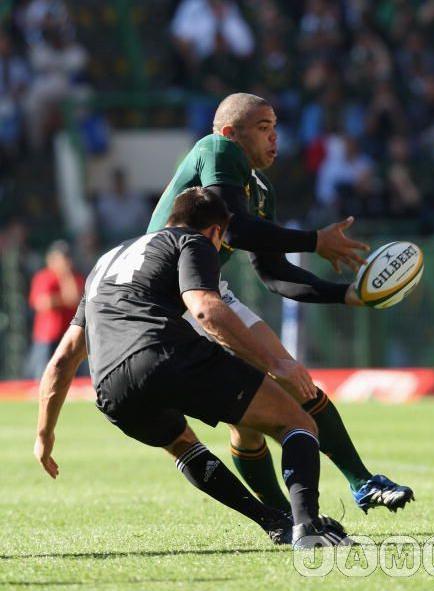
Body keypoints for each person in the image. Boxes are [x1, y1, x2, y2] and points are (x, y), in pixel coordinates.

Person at [34, 187, 353, 548]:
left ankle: (275, 521)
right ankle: (309, 528)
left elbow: (63, 360)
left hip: (109, 383)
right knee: (297, 422)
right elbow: (203, 308)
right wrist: (274, 363)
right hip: (163, 351)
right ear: (216, 231)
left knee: (182, 444)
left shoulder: (105, 262)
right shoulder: (192, 241)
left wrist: (44, 436)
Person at [147, 93, 414, 515]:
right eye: (263, 128)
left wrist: (343, 294)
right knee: (267, 399)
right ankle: (297, 509)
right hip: (172, 296)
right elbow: (234, 230)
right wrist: (315, 240)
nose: (275, 138)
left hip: (208, 290)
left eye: (274, 127)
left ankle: (354, 486)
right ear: (231, 133)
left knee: (271, 400)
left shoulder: (258, 189)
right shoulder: (216, 148)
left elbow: (273, 273)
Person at [26, 240, 84, 379]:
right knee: (43, 375)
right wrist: (63, 299)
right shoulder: (44, 276)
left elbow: (74, 298)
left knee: (72, 376)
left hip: (70, 335)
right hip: (47, 337)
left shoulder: (75, 277)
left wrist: (65, 276)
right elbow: (42, 303)